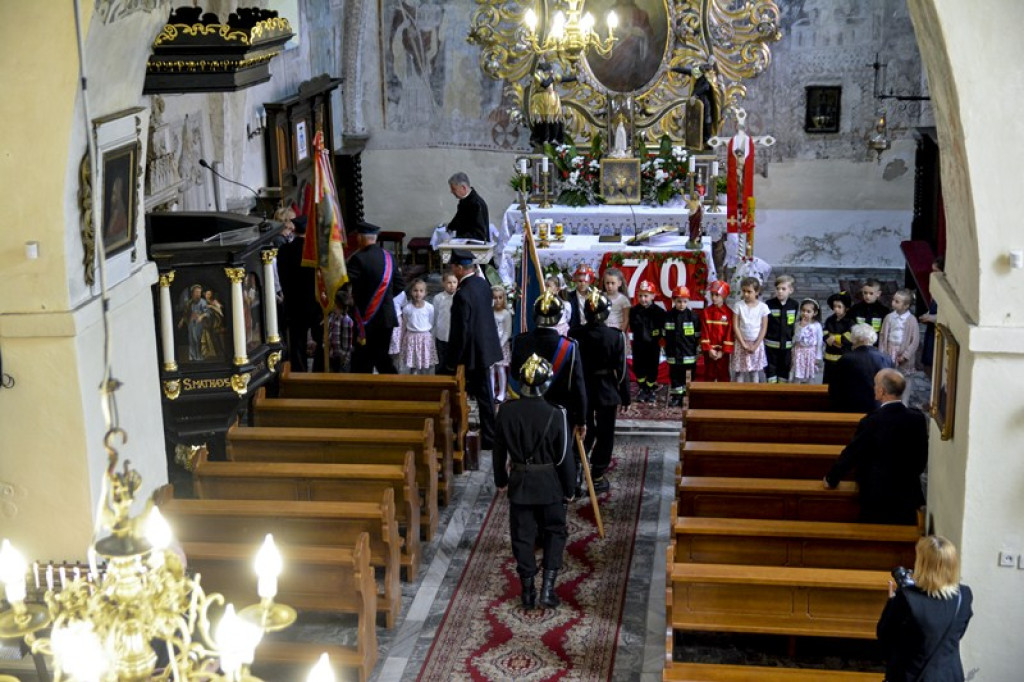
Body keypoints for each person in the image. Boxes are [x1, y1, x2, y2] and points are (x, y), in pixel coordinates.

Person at [493, 354, 576, 611]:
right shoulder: (556, 413)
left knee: (522, 536)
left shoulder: (506, 411)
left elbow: (498, 451)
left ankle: (528, 591)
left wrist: (501, 479)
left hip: (520, 483)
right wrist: (569, 488)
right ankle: (547, 590)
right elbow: (564, 456)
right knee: (554, 532)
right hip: (550, 483)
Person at [823, 369, 927, 524]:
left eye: (875, 385)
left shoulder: (872, 421)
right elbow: (921, 459)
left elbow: (852, 454)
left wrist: (832, 479)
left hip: (877, 496)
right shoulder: (917, 419)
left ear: (881, 391)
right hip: (908, 493)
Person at [877, 535, 973, 682]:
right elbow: (956, 635)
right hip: (949, 675)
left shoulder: (906, 598)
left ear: (922, 564)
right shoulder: (964, 596)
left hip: (911, 675)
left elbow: (885, 637)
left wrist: (892, 602)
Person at [568, 291, 629, 494]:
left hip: (581, 387)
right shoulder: (615, 336)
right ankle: (598, 472)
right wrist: (625, 394)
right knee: (605, 433)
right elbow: (621, 370)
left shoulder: (575, 333)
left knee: (582, 428)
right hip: (606, 388)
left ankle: (577, 467)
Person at [446, 249, 503, 449]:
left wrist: (452, 361)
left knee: (475, 394)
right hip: (485, 346)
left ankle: (482, 434)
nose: (452, 270)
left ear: (460, 269)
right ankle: (489, 433)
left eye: (454, 267)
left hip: (471, 353)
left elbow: (461, 332)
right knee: (485, 394)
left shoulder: (463, 294)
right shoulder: (482, 284)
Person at [510, 292, 587, 433]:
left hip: (529, 409)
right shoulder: (569, 346)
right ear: (559, 317)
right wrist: (581, 419)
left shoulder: (521, 341)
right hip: (559, 412)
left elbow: (515, 374)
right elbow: (578, 386)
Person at [346, 220, 405, 374]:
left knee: (362, 360)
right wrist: (384, 299)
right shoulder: (388, 257)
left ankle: (362, 394)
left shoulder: (358, 258)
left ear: (360, 238)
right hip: (386, 318)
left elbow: (345, 284)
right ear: (375, 238)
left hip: (365, 318)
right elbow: (400, 285)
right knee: (381, 357)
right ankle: (390, 390)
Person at [275, 207, 319, 371]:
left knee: (297, 342)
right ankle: (319, 370)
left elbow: (282, 277)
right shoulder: (315, 252)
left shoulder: (285, 250)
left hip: (294, 304)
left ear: (295, 229)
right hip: (314, 303)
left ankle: (299, 373)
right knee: (319, 339)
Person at [829, 323, 895, 413]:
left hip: (850, 409)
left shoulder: (846, 359)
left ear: (854, 339)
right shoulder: (886, 359)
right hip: (879, 409)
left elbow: (834, 389)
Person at [664, 286, 701, 406]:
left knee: (689, 376)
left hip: (688, 354)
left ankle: (687, 395)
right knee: (675, 375)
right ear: (674, 300)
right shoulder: (668, 316)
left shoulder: (693, 317)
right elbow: (664, 335)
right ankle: (676, 396)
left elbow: (697, 336)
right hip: (673, 353)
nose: (681, 304)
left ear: (688, 301)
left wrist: (695, 350)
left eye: (684, 301)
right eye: (679, 301)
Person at [629, 280, 665, 403]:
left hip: (653, 346)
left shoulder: (660, 312)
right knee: (638, 367)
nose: (643, 299)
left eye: (646, 296)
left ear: (653, 296)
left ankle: (650, 389)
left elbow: (662, 329)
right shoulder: (633, 311)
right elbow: (633, 327)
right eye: (640, 296)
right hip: (638, 345)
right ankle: (642, 388)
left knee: (652, 367)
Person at [529, 61, 577, 148]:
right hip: (540, 99)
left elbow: (564, 78)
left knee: (555, 120)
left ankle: (555, 139)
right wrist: (552, 78)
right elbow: (544, 84)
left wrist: (577, 78)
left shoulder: (552, 76)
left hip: (552, 99)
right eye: (549, 70)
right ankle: (541, 139)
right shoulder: (537, 75)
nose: (551, 71)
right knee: (542, 121)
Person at [731, 276, 769, 383]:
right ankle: (739, 396)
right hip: (741, 343)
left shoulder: (763, 307)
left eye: (749, 291)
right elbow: (736, 326)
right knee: (739, 372)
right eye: (743, 291)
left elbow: (763, 327)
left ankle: (754, 395)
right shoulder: (738, 306)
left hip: (756, 344)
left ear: (757, 292)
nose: (745, 294)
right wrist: (743, 344)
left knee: (754, 372)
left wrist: (756, 345)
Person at [764, 274, 799, 383]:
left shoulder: (794, 304)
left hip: (787, 346)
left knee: (784, 370)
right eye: (778, 288)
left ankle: (781, 392)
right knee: (771, 370)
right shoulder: (769, 304)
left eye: (783, 289)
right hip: (771, 345)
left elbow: (793, 324)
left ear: (791, 290)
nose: (780, 291)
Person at [879, 289, 921, 375]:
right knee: (888, 374)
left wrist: (905, 356)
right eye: (893, 300)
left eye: (897, 301)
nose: (893, 303)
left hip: (903, 351)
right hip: (889, 350)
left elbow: (915, 341)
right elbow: (883, 335)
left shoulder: (911, 320)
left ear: (906, 305)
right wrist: (882, 352)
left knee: (902, 377)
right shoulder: (889, 317)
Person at [401, 278, 437, 375]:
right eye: (415, 290)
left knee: (425, 364)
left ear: (425, 293)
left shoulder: (429, 307)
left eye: (421, 291)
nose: (418, 293)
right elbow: (405, 323)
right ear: (411, 292)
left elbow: (431, 321)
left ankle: (424, 381)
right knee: (412, 364)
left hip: (425, 338)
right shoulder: (407, 308)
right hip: (411, 338)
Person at [700, 280, 734, 382]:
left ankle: (724, 396)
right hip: (709, 352)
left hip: (722, 353)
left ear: (724, 295)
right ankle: (707, 397)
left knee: (723, 376)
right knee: (709, 375)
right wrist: (709, 349)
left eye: (717, 295)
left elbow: (729, 334)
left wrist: (723, 352)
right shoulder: (706, 312)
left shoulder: (729, 313)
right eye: (712, 294)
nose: (713, 298)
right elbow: (704, 332)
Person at [446, 172, 489, 243]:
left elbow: (479, 234)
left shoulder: (476, 204)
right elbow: (458, 219)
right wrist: (450, 228)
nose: (451, 192)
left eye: (453, 189)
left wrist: (457, 238)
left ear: (463, 188)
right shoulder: (465, 201)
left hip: (474, 247)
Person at [823, 291, 854, 385]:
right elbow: (825, 332)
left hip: (843, 357)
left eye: (839, 307)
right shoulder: (830, 319)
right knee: (827, 382)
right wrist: (828, 338)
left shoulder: (850, 321)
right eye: (834, 306)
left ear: (846, 308)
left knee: (841, 383)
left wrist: (835, 338)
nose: (836, 309)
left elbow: (849, 337)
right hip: (829, 357)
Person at [790, 298, 823, 384]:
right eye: (803, 311)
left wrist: (818, 357)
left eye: (808, 311)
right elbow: (795, 339)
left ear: (815, 313)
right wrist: (801, 327)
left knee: (809, 375)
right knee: (797, 375)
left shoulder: (817, 325)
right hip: (799, 352)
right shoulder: (798, 324)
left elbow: (819, 342)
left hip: (810, 353)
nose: (805, 313)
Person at [433, 270, 458, 374]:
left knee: (454, 363)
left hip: (455, 337)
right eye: (449, 282)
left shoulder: (459, 296)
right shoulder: (438, 298)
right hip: (442, 336)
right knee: (441, 362)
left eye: (454, 282)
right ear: (443, 283)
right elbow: (435, 316)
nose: (452, 285)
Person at [492, 285, 513, 402]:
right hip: (491, 345)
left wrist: (499, 344)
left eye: (500, 297)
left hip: (501, 345)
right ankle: (491, 391)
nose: (498, 300)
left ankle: (502, 392)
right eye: (495, 298)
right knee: (490, 370)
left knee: (500, 369)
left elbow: (507, 332)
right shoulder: (489, 312)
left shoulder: (506, 313)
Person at [327, 285, 354, 373]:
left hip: (341, 359)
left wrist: (344, 358)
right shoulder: (332, 317)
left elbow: (347, 343)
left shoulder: (346, 321)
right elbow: (330, 333)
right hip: (332, 356)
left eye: (335, 303)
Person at [602, 267, 631, 332]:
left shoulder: (623, 300)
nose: (609, 286)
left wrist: (621, 333)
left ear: (619, 283)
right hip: (603, 331)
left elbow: (626, 319)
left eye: (613, 283)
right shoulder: (601, 296)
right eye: (607, 283)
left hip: (617, 331)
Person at [566, 264, 596, 328]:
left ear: (590, 281)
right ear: (575, 281)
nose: (583, 284)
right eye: (580, 281)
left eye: (585, 281)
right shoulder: (570, 296)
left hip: (591, 328)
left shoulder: (595, 295)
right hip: (576, 329)